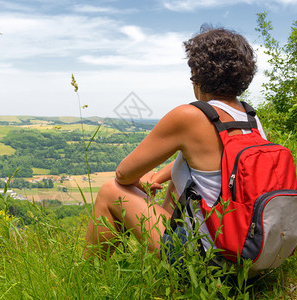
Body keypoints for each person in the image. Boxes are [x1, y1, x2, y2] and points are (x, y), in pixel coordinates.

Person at [84, 25, 267, 260]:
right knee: (179, 185)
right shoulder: (251, 119)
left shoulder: (190, 115)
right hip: (247, 249)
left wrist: (138, 180)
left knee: (111, 190)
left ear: (197, 75)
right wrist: (158, 176)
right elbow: (214, 164)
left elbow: (123, 175)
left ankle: (91, 276)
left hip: (207, 258)